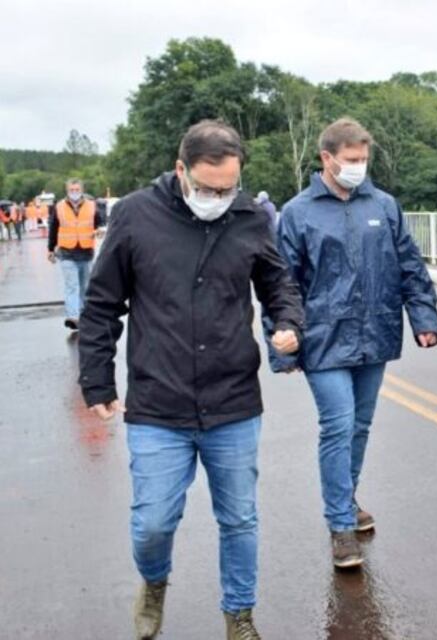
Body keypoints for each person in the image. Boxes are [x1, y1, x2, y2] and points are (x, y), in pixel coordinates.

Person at [77, 120, 305, 639]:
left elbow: (278, 283)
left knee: (240, 519)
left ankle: (239, 615)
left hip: (233, 400)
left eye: (229, 188)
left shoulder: (249, 217)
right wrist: (97, 381)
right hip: (159, 401)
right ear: (181, 170)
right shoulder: (135, 215)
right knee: (154, 522)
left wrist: (289, 323)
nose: (219, 198)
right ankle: (154, 582)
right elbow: (102, 306)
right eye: (207, 188)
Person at [272, 117, 437, 570]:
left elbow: (409, 264)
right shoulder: (298, 212)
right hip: (323, 339)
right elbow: (280, 283)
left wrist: (423, 316)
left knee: (360, 426)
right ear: (327, 158)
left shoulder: (384, 205)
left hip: (375, 332)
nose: (358, 167)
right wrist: (281, 346)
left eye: (363, 159)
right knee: (338, 424)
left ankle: (345, 500)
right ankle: (340, 525)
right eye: (350, 160)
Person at [47, 179, 106, 330]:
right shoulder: (59, 207)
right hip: (66, 253)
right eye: (71, 189)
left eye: (77, 189)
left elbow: (100, 223)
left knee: (85, 287)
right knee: (72, 286)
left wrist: (99, 230)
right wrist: (50, 249)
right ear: (67, 190)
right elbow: (53, 229)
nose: (74, 192)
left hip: (86, 253)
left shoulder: (92, 206)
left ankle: (84, 314)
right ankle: (73, 317)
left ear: (82, 190)